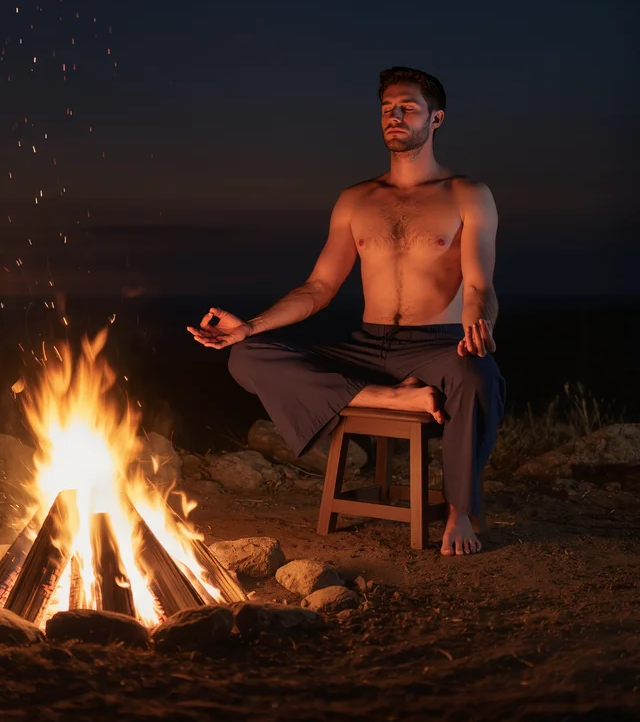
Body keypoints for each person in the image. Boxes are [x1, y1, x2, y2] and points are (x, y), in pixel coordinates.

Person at [188, 66, 505, 556]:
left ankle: (459, 513)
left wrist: (477, 325)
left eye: (408, 108)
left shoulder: (467, 194)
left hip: (436, 343)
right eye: (386, 109)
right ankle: (391, 398)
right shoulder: (356, 199)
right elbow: (319, 286)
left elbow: (480, 284)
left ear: (436, 118)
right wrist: (250, 326)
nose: (394, 116)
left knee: (478, 375)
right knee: (247, 356)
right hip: (367, 344)